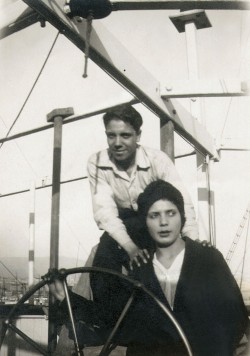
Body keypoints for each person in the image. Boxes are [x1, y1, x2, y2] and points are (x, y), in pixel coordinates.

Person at [52, 180, 248, 355]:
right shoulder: (141, 268)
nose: (163, 222)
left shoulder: (208, 259)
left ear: (182, 217)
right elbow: (116, 320)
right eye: (154, 215)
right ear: (145, 222)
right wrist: (66, 299)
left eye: (171, 213)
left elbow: (234, 320)